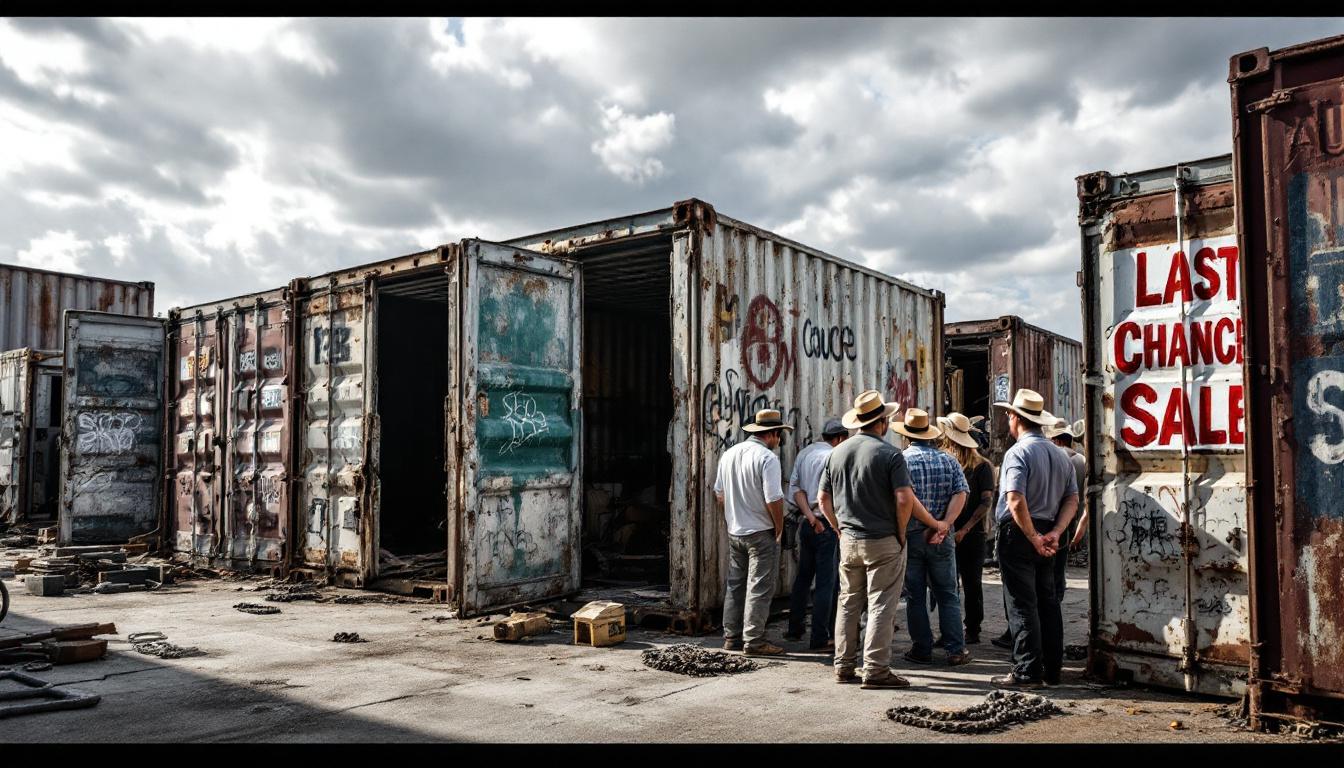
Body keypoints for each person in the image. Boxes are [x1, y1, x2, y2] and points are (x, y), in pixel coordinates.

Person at [818, 390, 953, 689]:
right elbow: (904, 498)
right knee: (881, 605)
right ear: (882, 422)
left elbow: (822, 498)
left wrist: (837, 527)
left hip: (849, 540)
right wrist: (901, 531)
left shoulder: (836, 453)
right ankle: (876, 670)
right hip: (882, 540)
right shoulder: (890, 454)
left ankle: (843, 666)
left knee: (848, 603)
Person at [988, 389, 1079, 688]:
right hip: (1050, 529)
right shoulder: (1061, 455)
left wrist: (1033, 536)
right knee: (1048, 602)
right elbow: (1072, 501)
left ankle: (1027, 671)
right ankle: (1052, 671)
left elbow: (1015, 499)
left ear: (1016, 419)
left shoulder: (1018, 452)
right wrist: (1055, 532)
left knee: (1021, 603)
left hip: (1020, 532)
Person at [893, 409, 971, 667]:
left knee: (915, 595)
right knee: (948, 594)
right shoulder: (949, 461)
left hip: (913, 535)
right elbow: (961, 493)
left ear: (907, 436)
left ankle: (922, 648)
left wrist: (929, 524)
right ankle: (956, 650)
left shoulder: (902, 460)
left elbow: (907, 500)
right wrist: (944, 525)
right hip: (942, 537)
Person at [714, 408, 793, 656]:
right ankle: (754, 640)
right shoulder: (767, 458)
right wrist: (778, 527)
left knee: (736, 585)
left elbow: (719, 493)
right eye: (779, 435)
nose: (779, 440)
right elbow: (774, 498)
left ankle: (731, 636)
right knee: (759, 586)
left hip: (735, 531)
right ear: (772, 434)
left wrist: (735, 512)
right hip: (761, 531)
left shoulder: (729, 454)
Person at [784, 417, 849, 651]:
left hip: (807, 524)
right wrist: (830, 524)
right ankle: (821, 638)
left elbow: (796, 490)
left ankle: (794, 629)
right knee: (826, 583)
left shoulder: (805, 454)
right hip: (827, 525)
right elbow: (834, 497)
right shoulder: (834, 457)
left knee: (803, 578)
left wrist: (810, 519)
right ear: (840, 438)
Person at [938, 413, 996, 646]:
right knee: (948, 584)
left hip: (972, 534)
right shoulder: (946, 462)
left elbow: (986, 502)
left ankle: (972, 628)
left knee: (971, 583)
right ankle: (950, 630)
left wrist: (965, 528)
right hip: (948, 530)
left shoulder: (983, 467)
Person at [1044, 417, 1087, 604]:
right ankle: (1056, 600)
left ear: (1057, 441)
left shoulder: (1051, 457)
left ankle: (1048, 603)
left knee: (1045, 568)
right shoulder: (1082, 460)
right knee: (1059, 569)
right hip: (1071, 523)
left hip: (1048, 521)